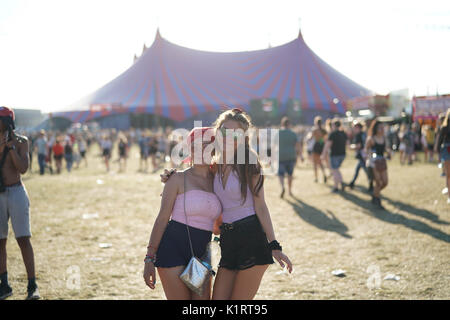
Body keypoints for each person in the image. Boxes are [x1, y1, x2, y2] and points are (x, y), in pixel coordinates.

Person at [161, 108, 293, 300]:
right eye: (223, 131)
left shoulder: (249, 160)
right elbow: (194, 179)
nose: (227, 137)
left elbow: (261, 206)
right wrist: (171, 177)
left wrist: (274, 245)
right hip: (228, 241)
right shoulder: (216, 163)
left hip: (251, 238)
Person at [143, 127, 221, 300]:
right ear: (190, 149)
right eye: (198, 145)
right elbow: (162, 218)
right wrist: (149, 258)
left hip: (202, 253)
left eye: (208, 145)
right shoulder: (177, 178)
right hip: (172, 250)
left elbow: (217, 228)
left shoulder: (220, 181)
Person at [0, 106, 40, 300]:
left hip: (16, 191)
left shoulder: (22, 142)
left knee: (23, 239)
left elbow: (23, 168)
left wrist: (11, 149)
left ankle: (32, 285)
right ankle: (4, 284)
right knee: (0, 241)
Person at [365, 119, 389, 209]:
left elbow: (385, 149)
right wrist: (369, 153)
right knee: (378, 182)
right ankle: (377, 200)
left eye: (383, 128)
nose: (382, 129)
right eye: (380, 128)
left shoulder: (384, 138)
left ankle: (375, 195)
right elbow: (366, 150)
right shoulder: (371, 139)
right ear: (375, 128)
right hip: (374, 162)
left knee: (385, 182)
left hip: (382, 161)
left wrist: (389, 152)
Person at [321, 119, 348, 193]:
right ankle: (341, 183)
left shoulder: (333, 134)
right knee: (336, 169)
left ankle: (336, 186)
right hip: (342, 154)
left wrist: (323, 154)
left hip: (334, 155)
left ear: (334, 125)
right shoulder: (343, 133)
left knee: (335, 170)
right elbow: (347, 143)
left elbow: (327, 145)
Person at [277, 117, 301, 198]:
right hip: (291, 156)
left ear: (282, 124)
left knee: (280, 174)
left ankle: (283, 187)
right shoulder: (293, 133)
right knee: (290, 174)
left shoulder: (278, 133)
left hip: (280, 156)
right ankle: (290, 191)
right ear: (289, 124)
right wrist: (300, 156)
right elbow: (298, 146)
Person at [348, 122, 372, 191]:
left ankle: (371, 185)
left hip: (362, 155)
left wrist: (351, 147)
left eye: (354, 127)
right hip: (364, 155)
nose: (353, 129)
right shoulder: (364, 134)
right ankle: (352, 183)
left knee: (366, 171)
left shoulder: (359, 135)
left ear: (358, 128)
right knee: (357, 170)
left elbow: (359, 146)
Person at [435, 109, 450, 204]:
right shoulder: (444, 128)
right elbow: (439, 141)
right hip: (447, 151)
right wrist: (439, 154)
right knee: (449, 175)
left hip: (446, 150)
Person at [311, 116, 328, 183]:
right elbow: (325, 140)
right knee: (320, 163)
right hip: (322, 147)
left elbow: (311, 138)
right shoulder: (324, 130)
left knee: (315, 164)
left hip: (316, 147)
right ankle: (324, 174)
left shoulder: (315, 130)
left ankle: (316, 178)